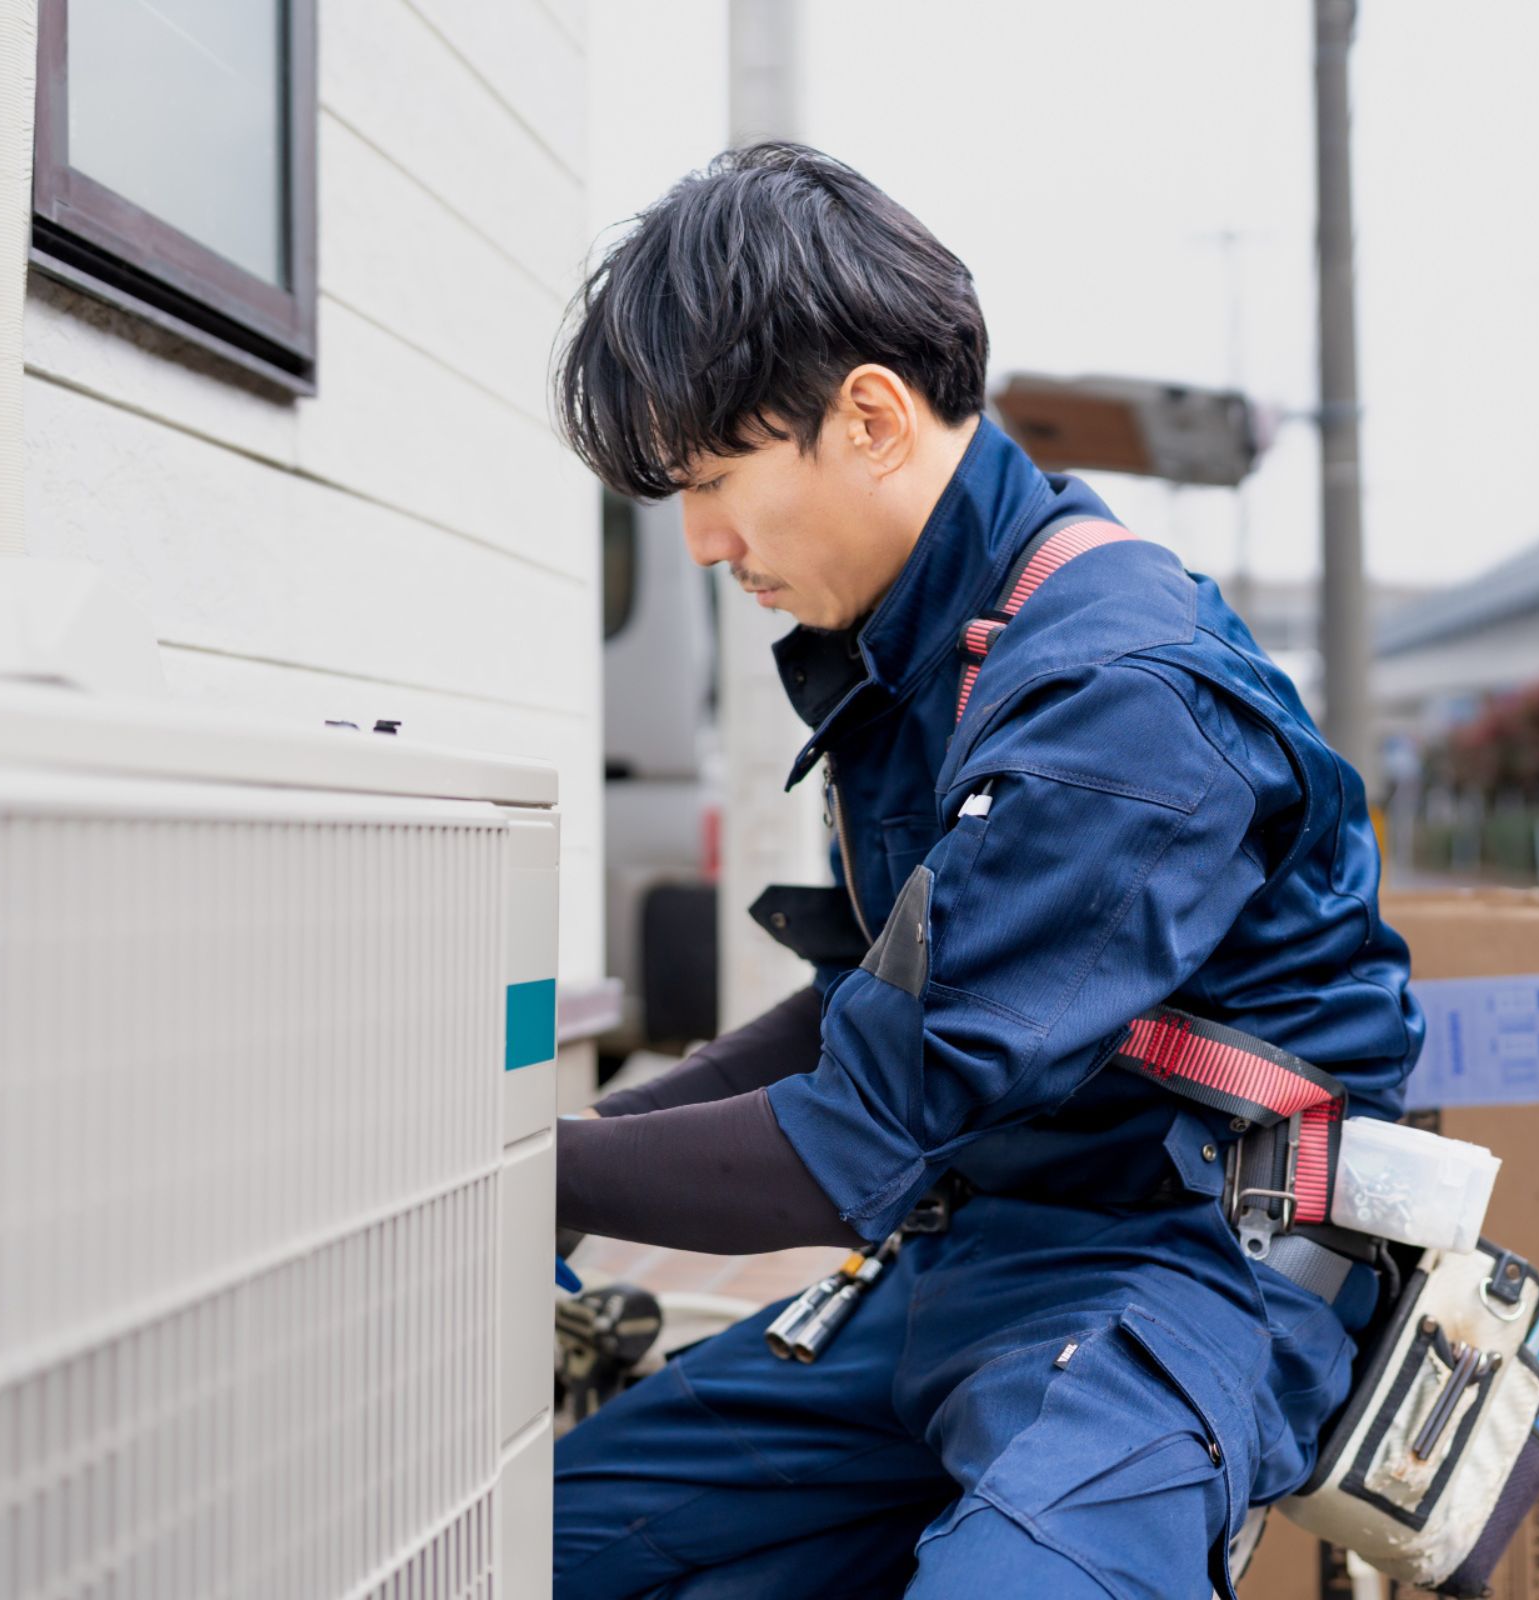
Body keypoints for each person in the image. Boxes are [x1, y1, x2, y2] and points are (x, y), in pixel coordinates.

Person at [550, 143, 1423, 1599]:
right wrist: (594, 1143)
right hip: (972, 1250)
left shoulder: (1116, 697)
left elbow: (859, 1130)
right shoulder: (922, 644)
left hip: (1181, 1279)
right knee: (546, 1545)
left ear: (870, 419)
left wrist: (521, 1173)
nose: (702, 541)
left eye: (713, 481)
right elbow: (863, 1014)